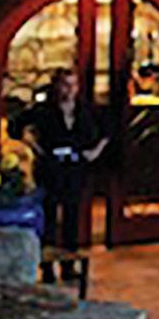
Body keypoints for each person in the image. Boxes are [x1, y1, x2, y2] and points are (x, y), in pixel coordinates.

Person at [24, 68, 107, 272]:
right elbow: (18, 126)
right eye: (65, 85)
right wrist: (35, 147)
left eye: (73, 85)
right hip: (51, 167)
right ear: (56, 86)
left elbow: (107, 130)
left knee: (72, 216)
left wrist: (95, 151)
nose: (69, 90)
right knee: (50, 216)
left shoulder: (85, 110)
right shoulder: (44, 111)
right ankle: (47, 265)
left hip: (75, 166)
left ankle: (69, 264)